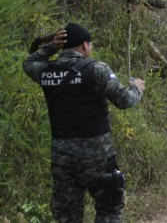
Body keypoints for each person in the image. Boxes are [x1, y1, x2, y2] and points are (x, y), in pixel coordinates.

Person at [23, 23, 145, 223]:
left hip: (63, 159)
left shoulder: (46, 71)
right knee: (109, 211)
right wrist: (137, 88)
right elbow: (124, 100)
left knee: (68, 216)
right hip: (98, 157)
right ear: (85, 45)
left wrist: (51, 47)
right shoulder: (96, 69)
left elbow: (28, 63)